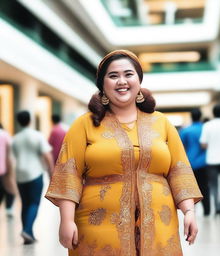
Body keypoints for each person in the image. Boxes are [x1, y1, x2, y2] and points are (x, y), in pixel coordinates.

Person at [45, 50, 202, 256]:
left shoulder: (161, 123)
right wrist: (66, 221)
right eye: (113, 76)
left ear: (138, 80)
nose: (122, 81)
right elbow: (69, 175)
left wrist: (189, 212)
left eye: (128, 74)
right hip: (97, 232)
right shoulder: (84, 124)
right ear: (102, 84)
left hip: (159, 229)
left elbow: (179, 171)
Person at [12, 111, 54, 244]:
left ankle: (28, 234)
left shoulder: (16, 138)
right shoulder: (37, 136)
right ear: (30, 120)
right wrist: (51, 171)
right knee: (34, 203)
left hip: (19, 174)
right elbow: (47, 155)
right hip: (35, 173)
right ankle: (27, 229)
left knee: (25, 204)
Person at [180, 108, 210, 216]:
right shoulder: (205, 129)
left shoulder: (186, 131)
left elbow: (180, 147)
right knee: (205, 186)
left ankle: (191, 210)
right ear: (200, 116)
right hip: (204, 162)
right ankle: (207, 210)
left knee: (191, 188)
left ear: (191, 117)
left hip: (190, 163)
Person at [0, 123, 16, 217]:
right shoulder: (5, 134)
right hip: (5, 166)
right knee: (9, 187)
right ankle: (9, 208)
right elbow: (11, 149)